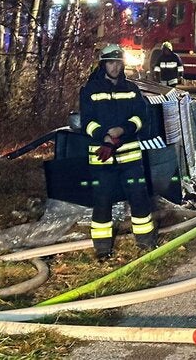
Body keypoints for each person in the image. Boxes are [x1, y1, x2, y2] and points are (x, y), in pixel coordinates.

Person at [80, 44, 155, 259]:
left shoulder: (131, 89)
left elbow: (142, 117)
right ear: (103, 64)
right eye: (111, 62)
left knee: (139, 199)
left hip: (130, 158)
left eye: (118, 62)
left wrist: (124, 129)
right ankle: (102, 249)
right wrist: (104, 136)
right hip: (102, 158)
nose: (115, 67)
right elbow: (86, 122)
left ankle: (146, 244)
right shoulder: (90, 90)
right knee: (102, 201)